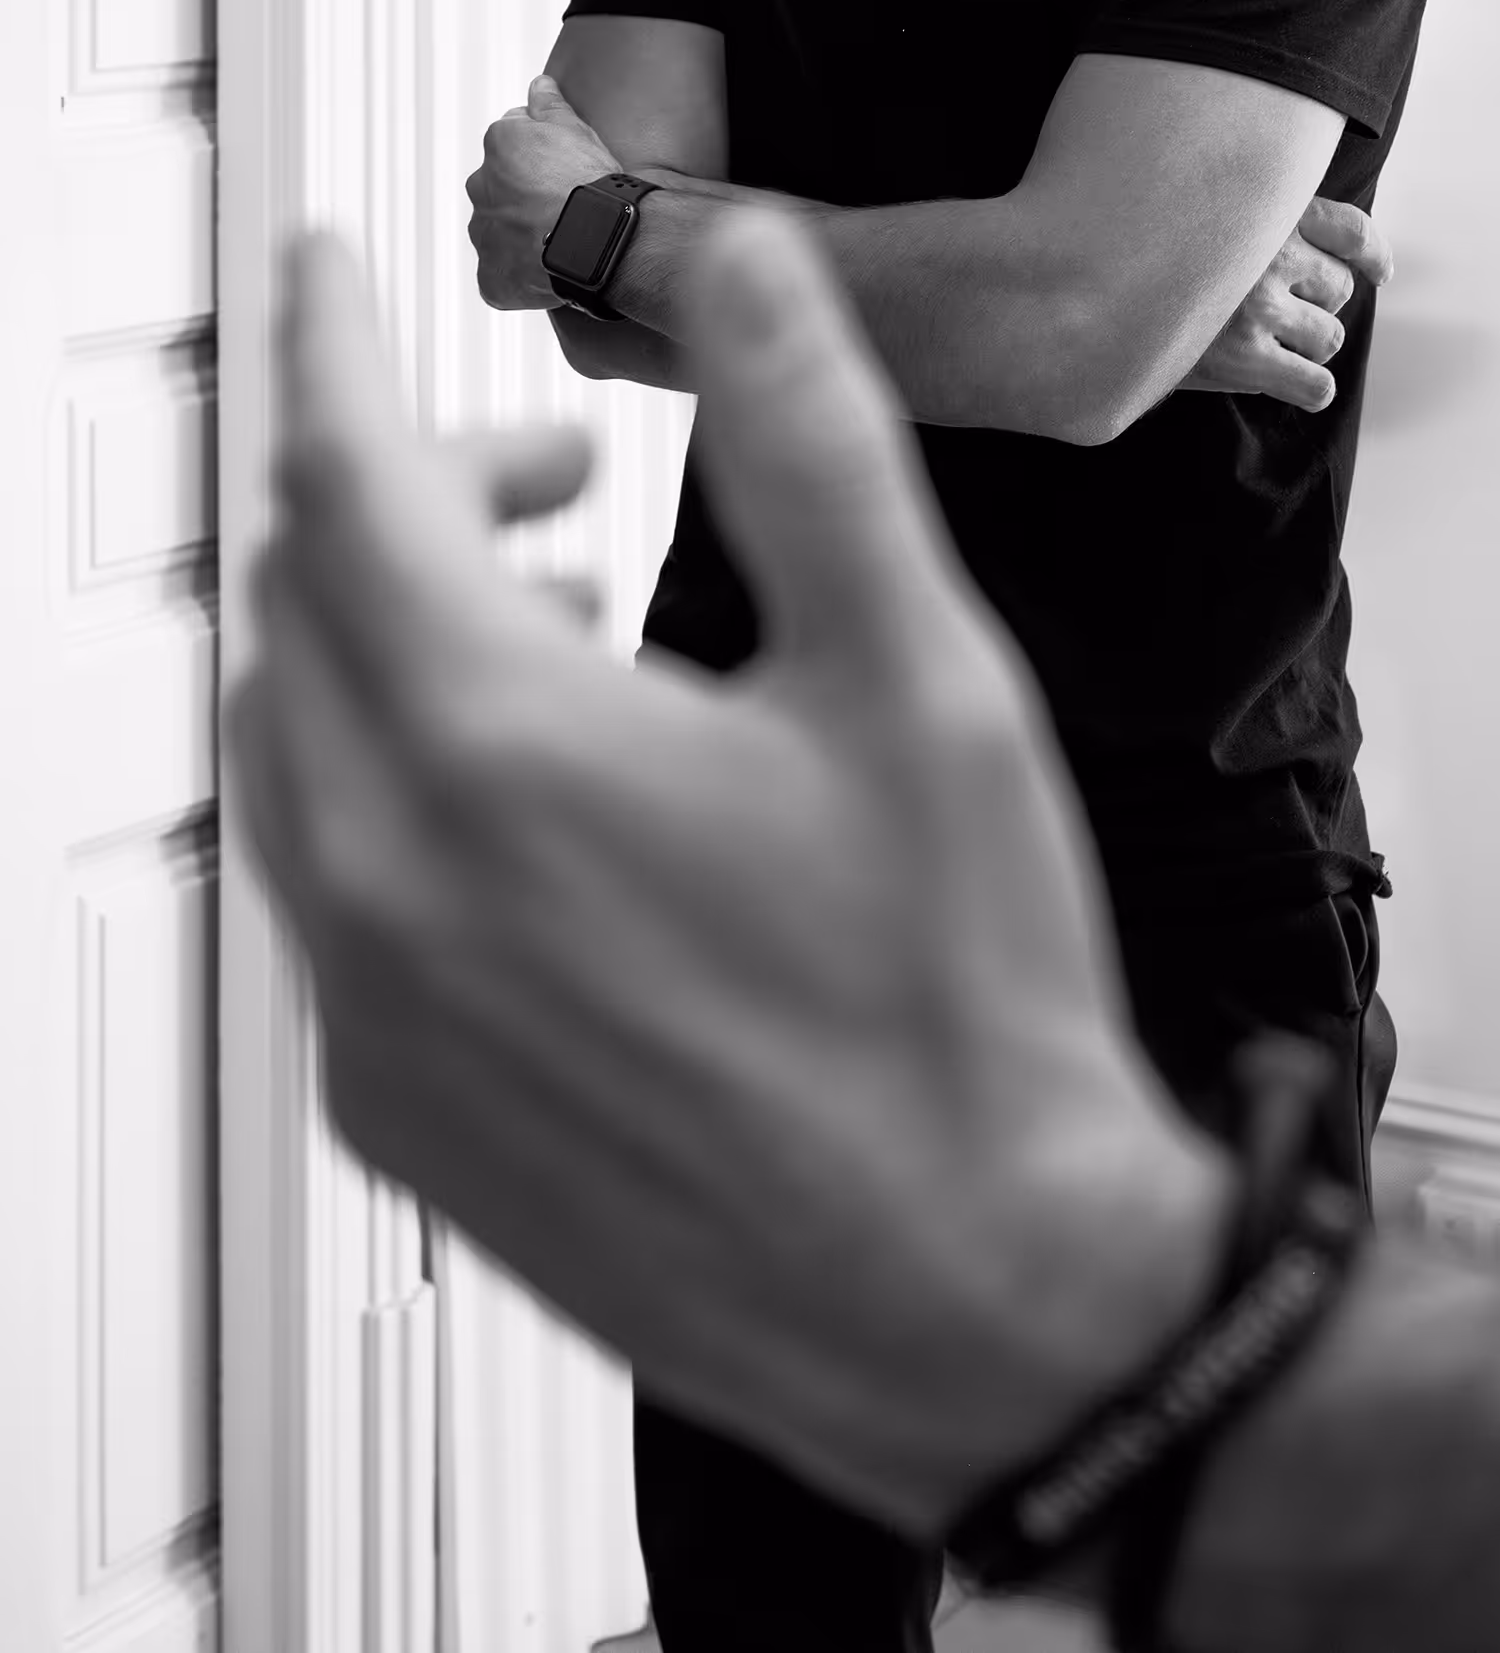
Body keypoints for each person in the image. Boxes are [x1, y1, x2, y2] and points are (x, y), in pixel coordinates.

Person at [463, 0, 1463, 1642]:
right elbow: (576, 297)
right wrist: (1043, 285)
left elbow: (1067, 327)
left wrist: (687, 234)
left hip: (1174, 834)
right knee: (763, 1593)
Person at [231, 211, 1499, 1653]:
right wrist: (1064, 290)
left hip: (1215, 811)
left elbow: (1085, 327)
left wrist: (626, 219)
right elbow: (553, 258)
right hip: (769, 785)